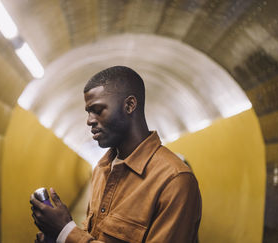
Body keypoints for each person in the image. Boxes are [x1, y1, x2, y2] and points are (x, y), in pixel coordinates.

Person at [30, 66, 202, 243]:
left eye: (97, 110)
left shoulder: (174, 181)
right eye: (88, 112)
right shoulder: (101, 170)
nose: (89, 121)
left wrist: (66, 231)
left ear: (129, 105)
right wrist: (58, 238)